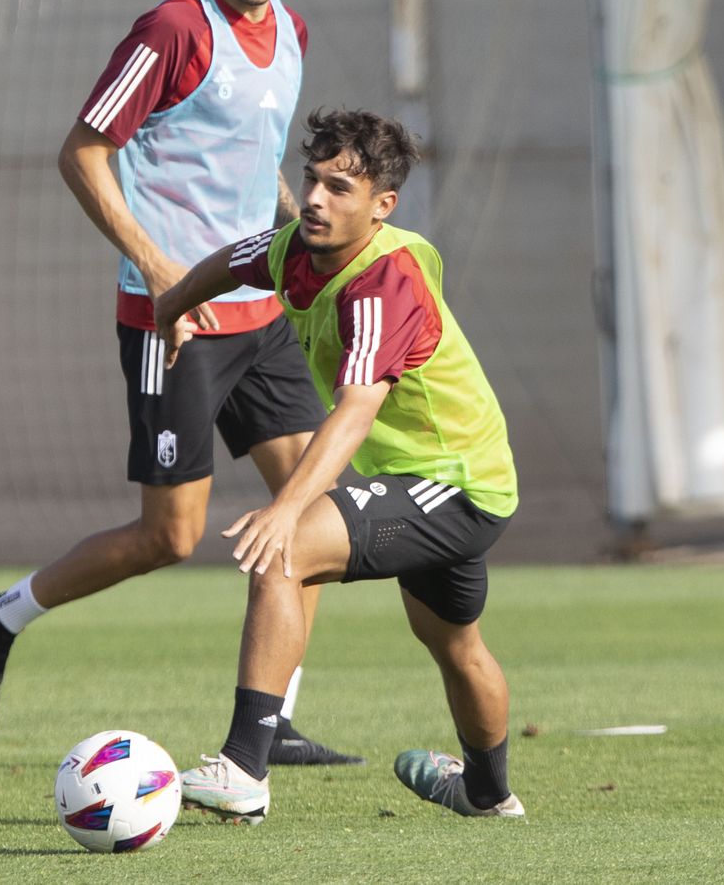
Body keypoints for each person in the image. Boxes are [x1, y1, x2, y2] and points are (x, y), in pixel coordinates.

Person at [0, 0, 358, 766]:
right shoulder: (175, 27)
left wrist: (308, 246)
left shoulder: (290, 31)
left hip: (262, 317)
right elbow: (83, 151)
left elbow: (252, 167)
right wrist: (160, 269)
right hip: (171, 322)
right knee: (168, 536)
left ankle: (270, 715)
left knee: (311, 514)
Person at [157, 108, 525, 822]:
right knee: (453, 642)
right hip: (450, 477)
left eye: (341, 189)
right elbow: (233, 260)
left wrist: (286, 507)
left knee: (281, 551)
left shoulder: (384, 283)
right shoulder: (296, 246)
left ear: (384, 206)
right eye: (313, 181)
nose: (318, 199)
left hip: (455, 481)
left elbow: (355, 410)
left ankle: (242, 769)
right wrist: (172, 304)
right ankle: (488, 791)